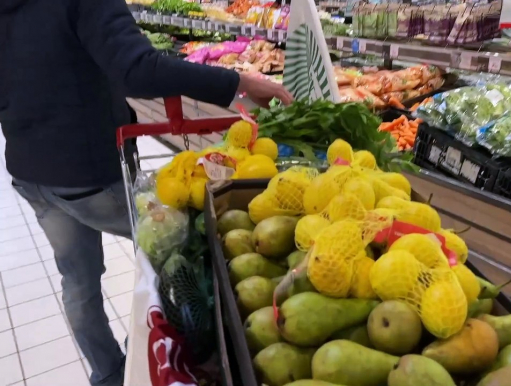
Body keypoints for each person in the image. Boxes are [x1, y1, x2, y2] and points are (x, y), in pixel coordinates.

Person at [0, 0, 293, 385]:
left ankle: (108, 374)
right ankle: (184, 359)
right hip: (87, 173)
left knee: (78, 282)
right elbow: (137, 69)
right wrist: (237, 82)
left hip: (31, 173)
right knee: (189, 246)